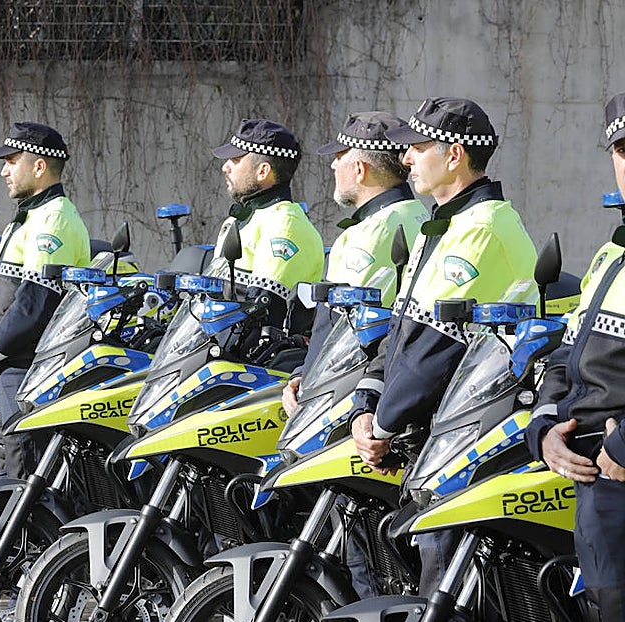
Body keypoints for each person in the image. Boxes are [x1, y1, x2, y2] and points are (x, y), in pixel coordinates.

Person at [349, 97, 537, 592]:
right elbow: (400, 333)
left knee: (450, 598)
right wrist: (366, 403)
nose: (406, 158)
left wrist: (383, 424)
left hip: (471, 436)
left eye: (417, 147)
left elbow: (435, 349)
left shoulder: (483, 228)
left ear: (453, 154)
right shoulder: (448, 224)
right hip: (439, 431)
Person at [527, 92, 625, 622]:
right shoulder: (611, 253)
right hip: (590, 474)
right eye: (621, 148)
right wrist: (543, 426)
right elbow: (568, 353)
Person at [0, 121, 91, 478]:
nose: (3, 171)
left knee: (24, 486)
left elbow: (33, 308)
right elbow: (1, 299)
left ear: (38, 166)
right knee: (9, 480)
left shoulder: (54, 220)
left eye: (12, 161)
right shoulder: (29, 218)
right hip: (7, 369)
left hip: (25, 370)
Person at [282, 112, 428, 416]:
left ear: (360, 169)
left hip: (351, 398)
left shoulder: (374, 231)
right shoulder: (417, 214)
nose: (334, 165)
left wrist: (306, 378)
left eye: (339, 156)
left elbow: (344, 328)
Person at [210, 119, 325, 336]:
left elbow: (261, 312)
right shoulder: (242, 219)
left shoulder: (284, 225)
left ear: (263, 171)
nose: (225, 167)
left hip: (257, 361)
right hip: (223, 347)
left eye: (235, 160)